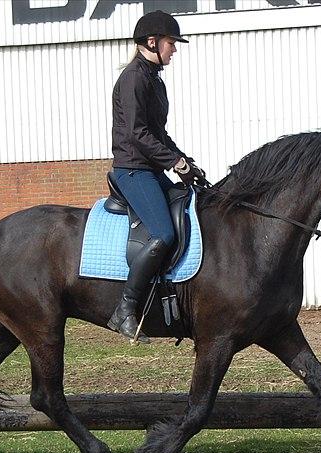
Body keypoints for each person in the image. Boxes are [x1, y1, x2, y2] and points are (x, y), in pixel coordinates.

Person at [107, 10, 204, 343]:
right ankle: (125, 308)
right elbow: (137, 135)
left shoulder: (153, 79)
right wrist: (174, 163)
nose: (174, 49)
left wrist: (185, 161)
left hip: (149, 167)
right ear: (152, 42)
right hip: (133, 170)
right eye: (171, 43)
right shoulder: (134, 78)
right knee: (163, 233)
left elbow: (158, 134)